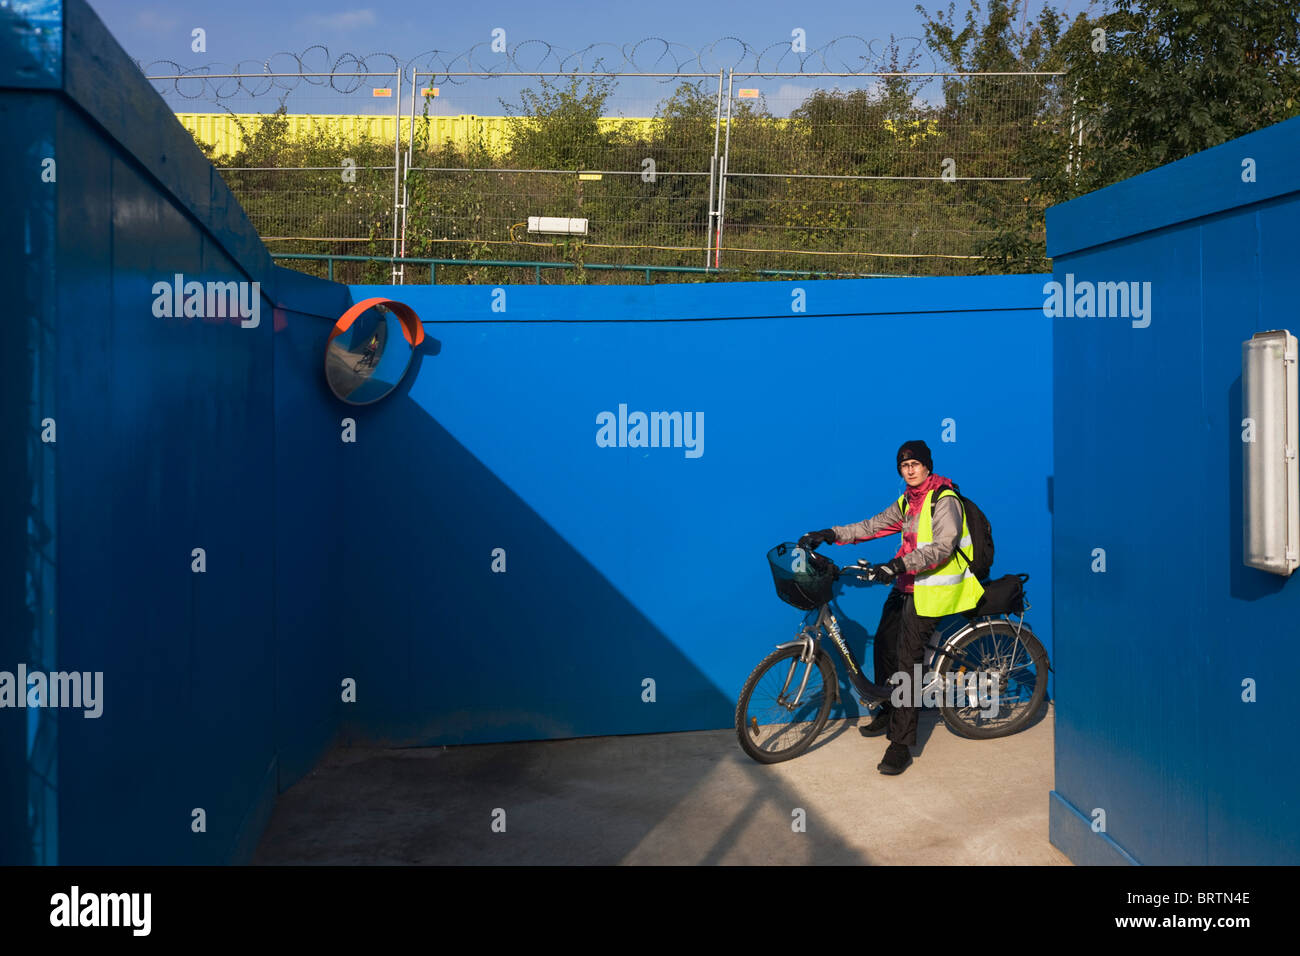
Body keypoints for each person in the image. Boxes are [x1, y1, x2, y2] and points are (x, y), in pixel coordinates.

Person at [797, 440, 984, 775]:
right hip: (906, 586)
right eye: (903, 466)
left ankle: (901, 744)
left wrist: (897, 566)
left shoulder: (944, 499)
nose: (909, 470)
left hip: (931, 592)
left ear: (927, 465)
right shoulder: (908, 502)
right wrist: (830, 534)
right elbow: (872, 526)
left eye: (915, 464)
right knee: (885, 645)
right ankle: (887, 711)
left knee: (908, 665)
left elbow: (943, 546)